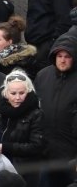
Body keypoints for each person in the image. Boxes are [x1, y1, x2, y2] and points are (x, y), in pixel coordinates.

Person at [0, 70, 47, 186]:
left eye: (22, 93)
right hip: (1, 167)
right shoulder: (1, 111)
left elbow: (37, 146)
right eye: (13, 93)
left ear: (28, 92)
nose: (17, 97)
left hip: (24, 171)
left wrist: (6, 147)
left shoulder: (36, 114)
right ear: (6, 93)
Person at [35, 35, 77, 186]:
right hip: (46, 152)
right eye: (59, 56)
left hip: (71, 154)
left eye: (67, 56)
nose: (63, 60)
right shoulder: (43, 76)